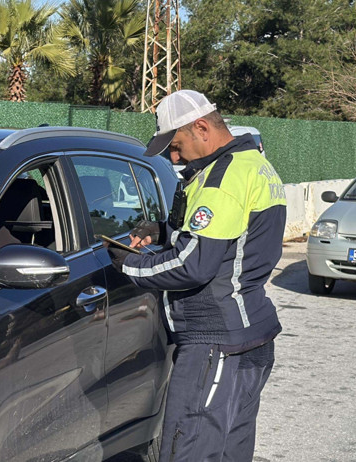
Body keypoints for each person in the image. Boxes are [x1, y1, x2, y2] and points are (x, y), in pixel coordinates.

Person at [105, 90, 287, 461]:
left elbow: (195, 264)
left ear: (201, 128)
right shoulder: (254, 164)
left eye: (176, 145)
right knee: (229, 451)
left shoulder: (221, 180)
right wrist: (161, 230)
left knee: (187, 449)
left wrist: (129, 265)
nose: (174, 158)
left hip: (215, 343)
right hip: (249, 336)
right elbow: (231, 240)